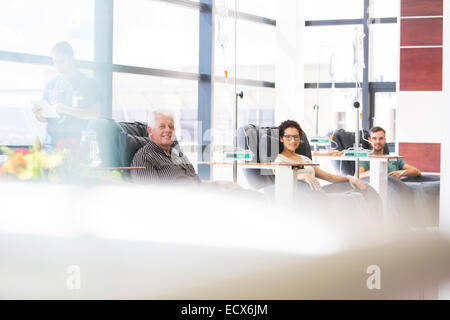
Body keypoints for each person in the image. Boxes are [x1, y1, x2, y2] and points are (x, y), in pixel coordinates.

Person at [273, 120, 382, 216]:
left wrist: (349, 178)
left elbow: (329, 177)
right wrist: (302, 175)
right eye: (288, 137)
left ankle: (376, 227)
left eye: (296, 136)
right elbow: (281, 173)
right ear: (281, 138)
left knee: (363, 189)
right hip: (302, 197)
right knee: (352, 199)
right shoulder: (279, 159)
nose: (293, 141)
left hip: (318, 193)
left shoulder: (305, 159)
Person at [130, 110, 238, 190]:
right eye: (162, 126)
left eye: (171, 127)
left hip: (203, 198)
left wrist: (217, 184)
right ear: (150, 130)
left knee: (243, 194)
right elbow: (151, 198)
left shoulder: (178, 154)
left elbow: (196, 183)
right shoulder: (144, 157)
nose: (168, 130)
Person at [32, 41, 102, 148]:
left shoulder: (89, 84)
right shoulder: (50, 85)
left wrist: (65, 109)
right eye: (56, 61)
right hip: (51, 144)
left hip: (75, 146)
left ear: (72, 58)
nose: (59, 65)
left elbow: (94, 114)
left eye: (62, 60)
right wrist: (39, 115)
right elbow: (45, 119)